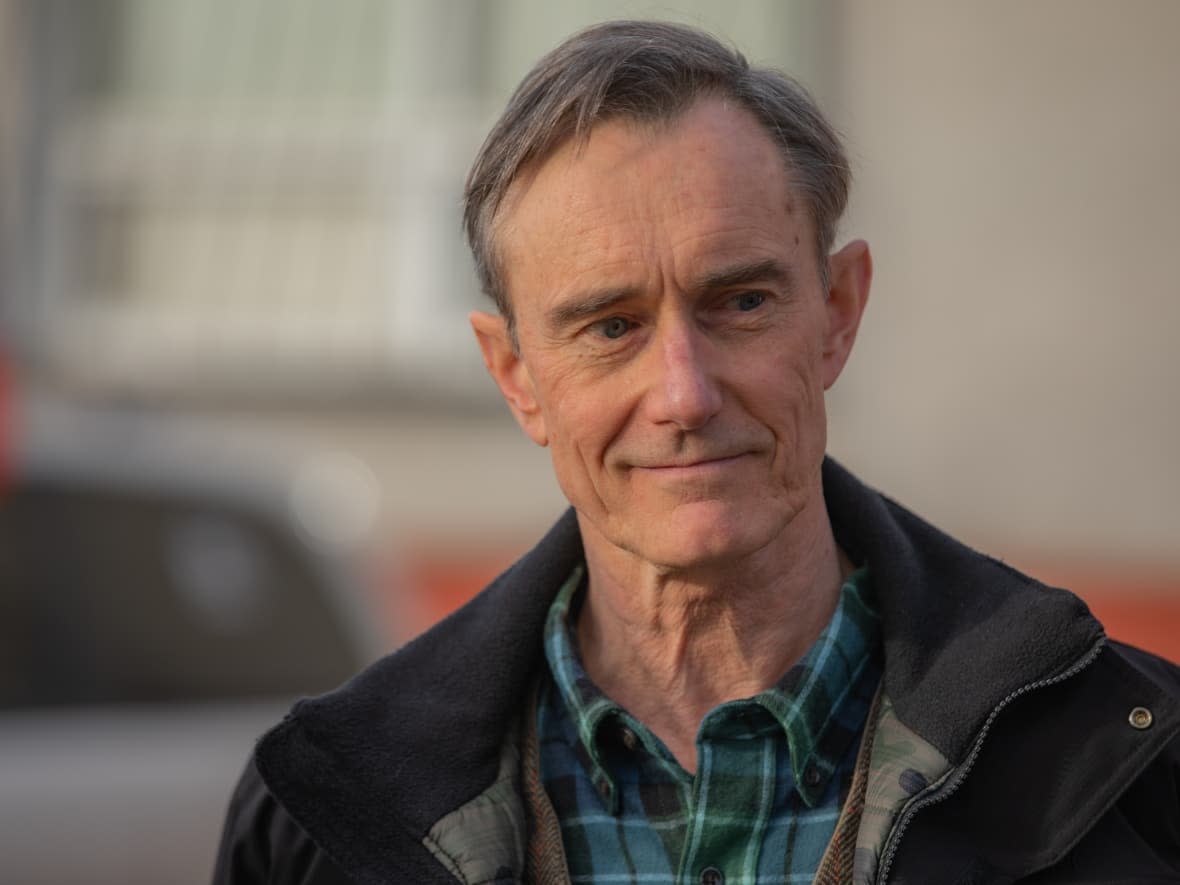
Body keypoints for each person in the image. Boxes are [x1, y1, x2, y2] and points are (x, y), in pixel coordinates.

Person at [213, 20, 1180, 885]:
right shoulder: (320, 820)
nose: (684, 393)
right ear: (515, 376)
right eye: (610, 326)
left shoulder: (1131, 766)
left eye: (742, 302)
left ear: (837, 313)